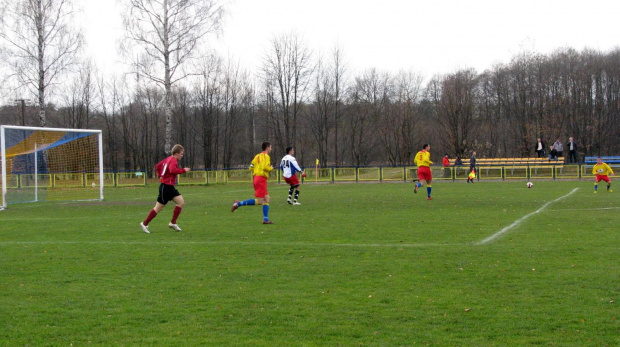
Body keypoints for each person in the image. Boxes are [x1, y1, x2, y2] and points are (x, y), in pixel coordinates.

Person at [139, 144, 191, 234]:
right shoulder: (173, 160)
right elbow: (172, 170)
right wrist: (183, 170)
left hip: (168, 187)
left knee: (181, 202)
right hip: (166, 187)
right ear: (177, 153)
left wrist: (161, 176)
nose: (182, 156)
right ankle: (144, 223)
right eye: (181, 154)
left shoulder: (168, 159)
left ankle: (173, 223)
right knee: (158, 208)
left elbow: (158, 166)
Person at [231, 142, 274, 224]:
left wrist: (257, 168)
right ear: (267, 147)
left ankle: (265, 219)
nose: (271, 149)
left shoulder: (257, 156)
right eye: (270, 147)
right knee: (260, 201)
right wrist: (271, 168)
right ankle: (238, 204)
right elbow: (265, 167)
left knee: (267, 199)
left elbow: (250, 167)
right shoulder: (266, 156)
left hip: (257, 178)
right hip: (261, 179)